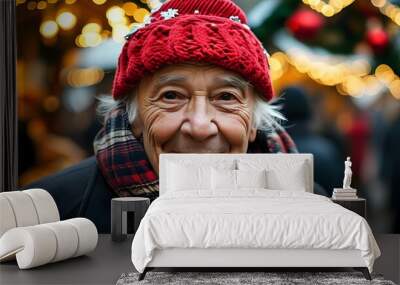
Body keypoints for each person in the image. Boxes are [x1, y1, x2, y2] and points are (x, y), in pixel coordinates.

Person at [24, 0, 305, 233]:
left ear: (254, 123)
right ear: (134, 116)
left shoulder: (307, 201)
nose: (199, 126)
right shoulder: (51, 214)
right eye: (171, 96)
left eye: (226, 97)